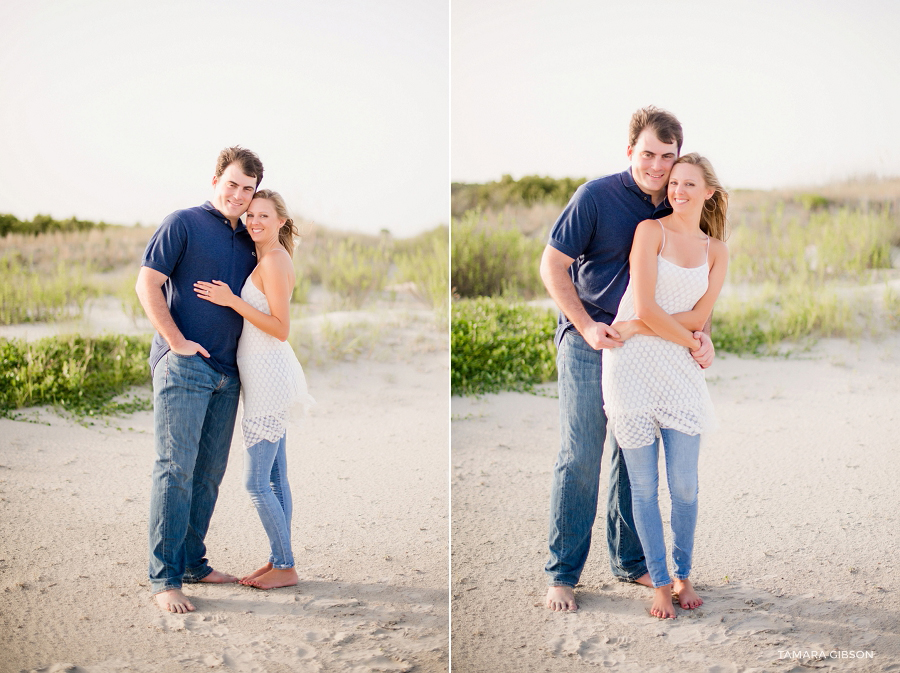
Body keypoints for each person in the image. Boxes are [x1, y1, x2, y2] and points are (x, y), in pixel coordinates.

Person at [539, 106, 715, 612]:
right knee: (580, 453)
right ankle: (562, 573)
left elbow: (694, 282)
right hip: (589, 337)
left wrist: (703, 337)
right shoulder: (595, 197)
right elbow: (553, 265)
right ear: (629, 151)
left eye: (667, 156)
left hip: (651, 348)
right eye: (648, 154)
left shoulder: (678, 202)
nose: (658, 167)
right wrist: (586, 325)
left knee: (629, 456)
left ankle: (631, 562)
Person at [136, 146, 264, 613]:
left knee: (208, 475)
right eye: (231, 184)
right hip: (184, 365)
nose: (238, 194)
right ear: (215, 181)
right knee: (175, 469)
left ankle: (192, 561)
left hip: (229, 374)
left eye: (247, 189)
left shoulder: (249, 238)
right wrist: (175, 340)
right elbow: (146, 283)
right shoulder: (183, 222)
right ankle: (165, 579)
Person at [601, 153, 728, 619]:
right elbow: (648, 307)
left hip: (678, 375)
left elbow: (698, 317)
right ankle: (658, 582)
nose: (677, 191)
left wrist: (688, 337)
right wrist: (689, 340)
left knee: (686, 486)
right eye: (674, 183)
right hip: (630, 370)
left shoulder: (716, 250)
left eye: (689, 184)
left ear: (708, 192)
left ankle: (683, 572)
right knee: (643, 488)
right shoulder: (649, 232)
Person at [194, 190, 314, 590]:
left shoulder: (276, 260)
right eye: (250, 215)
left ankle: (286, 565)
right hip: (262, 376)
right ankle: (279, 560)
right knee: (277, 479)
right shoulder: (266, 258)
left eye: (264, 215)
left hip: (269, 377)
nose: (254, 221)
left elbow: (280, 328)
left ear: (281, 221)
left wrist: (231, 301)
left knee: (256, 482)